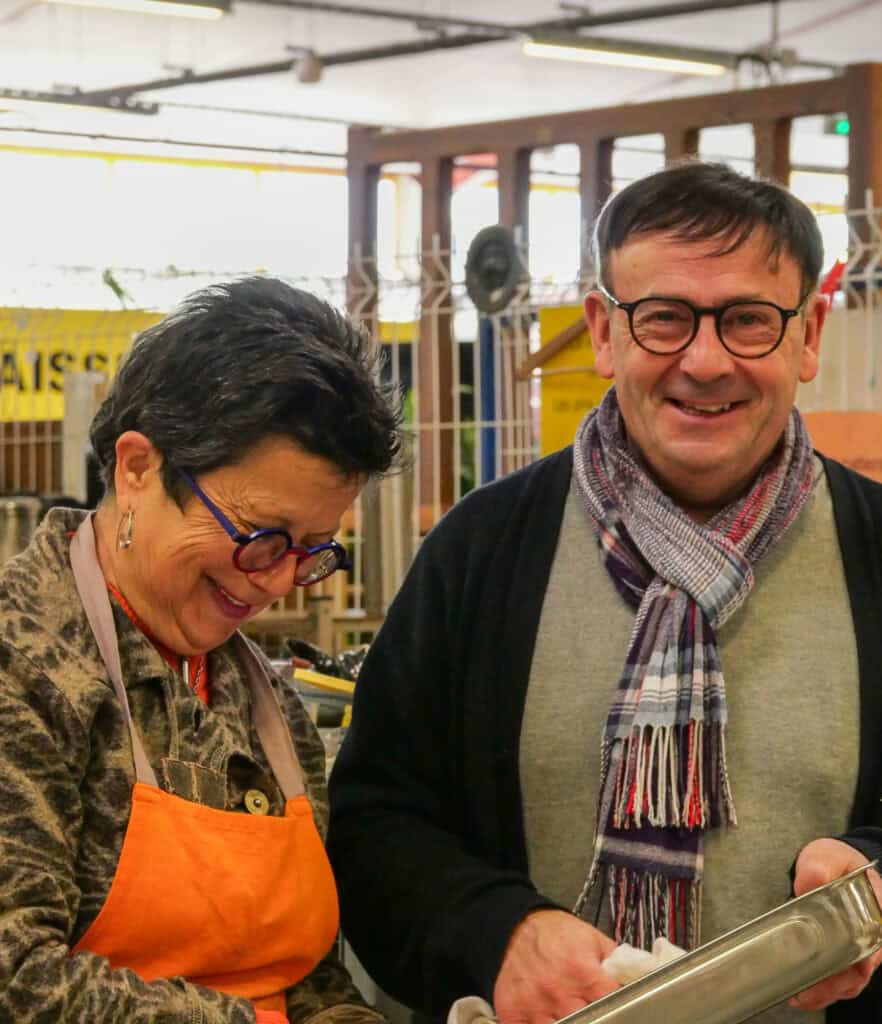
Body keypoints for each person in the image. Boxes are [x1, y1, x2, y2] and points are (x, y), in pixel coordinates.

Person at [327, 162, 882, 1024]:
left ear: (808, 335)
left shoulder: (878, 550)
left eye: (747, 320)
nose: (704, 361)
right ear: (604, 331)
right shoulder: (480, 552)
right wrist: (496, 933)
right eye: (663, 319)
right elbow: (374, 826)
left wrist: (873, 881)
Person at [0, 277, 402, 1024]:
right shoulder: (26, 670)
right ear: (137, 468)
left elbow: (304, 973)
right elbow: (15, 979)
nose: (280, 581)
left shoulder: (265, 703)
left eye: (314, 550)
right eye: (260, 536)